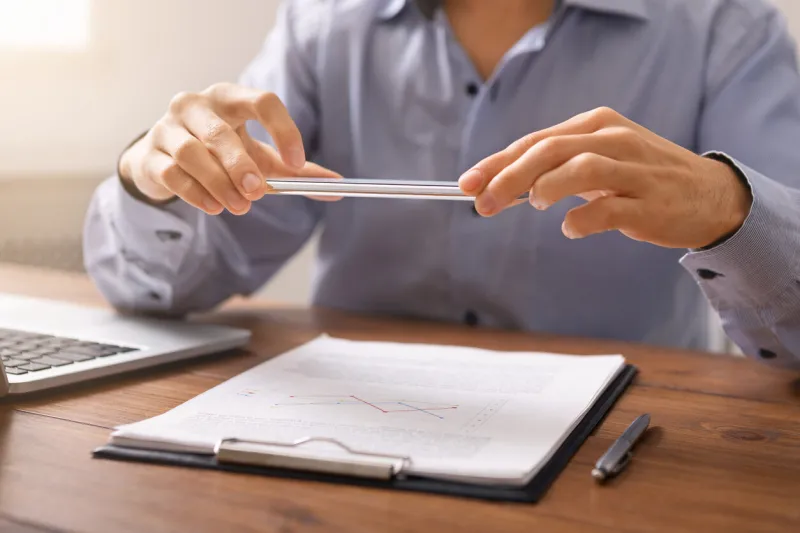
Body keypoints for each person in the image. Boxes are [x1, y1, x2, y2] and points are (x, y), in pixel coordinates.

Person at [83, 0, 800, 369]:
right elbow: (164, 288)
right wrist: (151, 181)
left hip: (621, 455)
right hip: (348, 428)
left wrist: (728, 207)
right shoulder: (323, 23)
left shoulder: (722, 28)